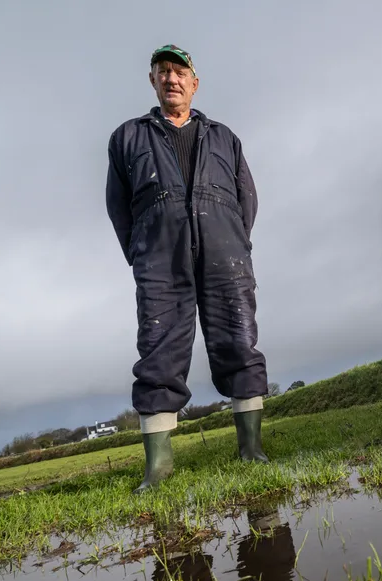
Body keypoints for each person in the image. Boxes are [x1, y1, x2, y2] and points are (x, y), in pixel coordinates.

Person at [105, 44, 270, 494]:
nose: (172, 79)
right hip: (160, 257)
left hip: (225, 254)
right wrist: (142, 251)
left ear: (194, 83)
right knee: (158, 350)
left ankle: (251, 448)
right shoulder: (128, 137)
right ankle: (158, 468)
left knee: (239, 340)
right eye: (163, 72)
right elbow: (118, 207)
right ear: (153, 80)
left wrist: (233, 241)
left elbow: (246, 198)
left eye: (180, 72)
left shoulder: (224, 137)